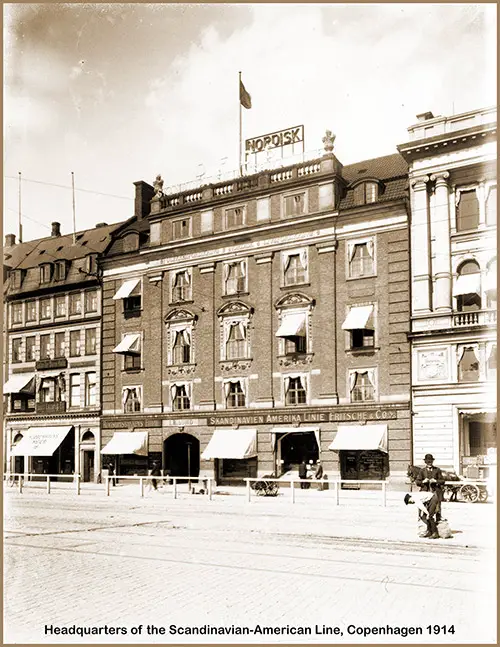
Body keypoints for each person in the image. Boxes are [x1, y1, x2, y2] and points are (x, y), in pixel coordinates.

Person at [415, 454, 445, 521]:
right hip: (425, 490)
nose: (429, 463)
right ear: (425, 462)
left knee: (437, 502)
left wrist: (436, 481)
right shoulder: (422, 471)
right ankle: (420, 516)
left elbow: (442, 481)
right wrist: (423, 481)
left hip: (434, 490)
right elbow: (417, 482)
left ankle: (438, 516)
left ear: (432, 462)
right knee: (421, 502)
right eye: (428, 462)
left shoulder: (437, 470)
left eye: (430, 462)